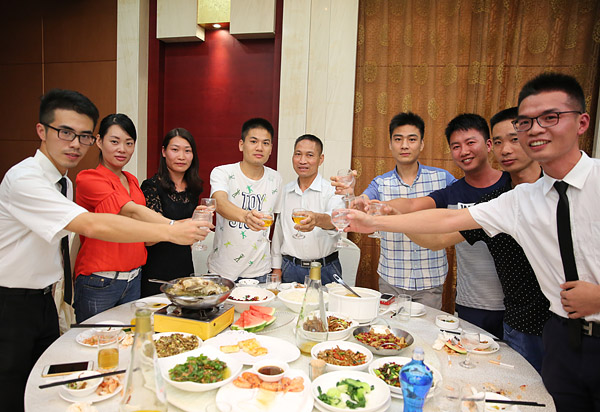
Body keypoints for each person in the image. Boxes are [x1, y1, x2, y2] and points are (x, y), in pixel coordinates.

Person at [345, 73, 600, 412]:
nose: (536, 130)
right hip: (551, 333)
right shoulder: (518, 199)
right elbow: (445, 222)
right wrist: (377, 220)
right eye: (526, 123)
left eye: (550, 117)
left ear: (582, 122)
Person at [0, 89, 207, 411]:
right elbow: (95, 224)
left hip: (48, 296)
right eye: (65, 132)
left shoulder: (65, 182)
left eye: (83, 135)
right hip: (14, 299)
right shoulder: (27, 179)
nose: (75, 143)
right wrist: (171, 230)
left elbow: (134, 216)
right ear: (42, 130)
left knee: (50, 379)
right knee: (15, 384)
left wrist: (171, 228)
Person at [406, 107, 549, 372]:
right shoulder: (495, 200)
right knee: (495, 375)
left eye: (514, 139)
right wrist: (390, 219)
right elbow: (440, 232)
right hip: (506, 315)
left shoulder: (555, 190)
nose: (506, 149)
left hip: (557, 321)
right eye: (500, 142)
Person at [73, 114, 193, 321]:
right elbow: (131, 211)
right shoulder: (89, 177)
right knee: (96, 338)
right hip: (100, 280)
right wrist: (174, 227)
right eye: (115, 142)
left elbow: (142, 224)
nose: (122, 149)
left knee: (131, 336)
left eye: (129, 143)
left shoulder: (131, 180)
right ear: (99, 141)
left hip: (134, 277)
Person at [355, 112, 456, 308]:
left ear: (422, 144)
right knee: (389, 327)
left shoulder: (443, 178)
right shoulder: (380, 183)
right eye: (398, 139)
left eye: (412, 139)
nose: (404, 145)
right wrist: (355, 197)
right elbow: (364, 200)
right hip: (392, 278)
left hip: (430, 279)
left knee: (426, 328)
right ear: (390, 144)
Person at [208, 118, 282, 282]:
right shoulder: (223, 172)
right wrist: (246, 216)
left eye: (265, 143)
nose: (259, 148)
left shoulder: (276, 179)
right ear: (241, 145)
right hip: (222, 270)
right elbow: (219, 202)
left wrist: (276, 265)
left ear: (271, 149)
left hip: (260, 271)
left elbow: (276, 222)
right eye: (253, 141)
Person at [271, 134, 344, 285]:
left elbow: (335, 220)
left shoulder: (332, 191)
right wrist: (276, 267)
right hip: (289, 268)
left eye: (309, 155)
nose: (302, 160)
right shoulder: (284, 191)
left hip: (325, 269)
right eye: (298, 154)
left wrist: (316, 219)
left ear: (321, 159)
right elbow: (279, 231)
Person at [141, 128, 203, 297]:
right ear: (164, 152)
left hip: (184, 264)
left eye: (187, 151)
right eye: (175, 150)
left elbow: (190, 234)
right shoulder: (151, 187)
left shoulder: (194, 188)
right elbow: (149, 237)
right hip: (157, 267)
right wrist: (186, 225)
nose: (181, 156)